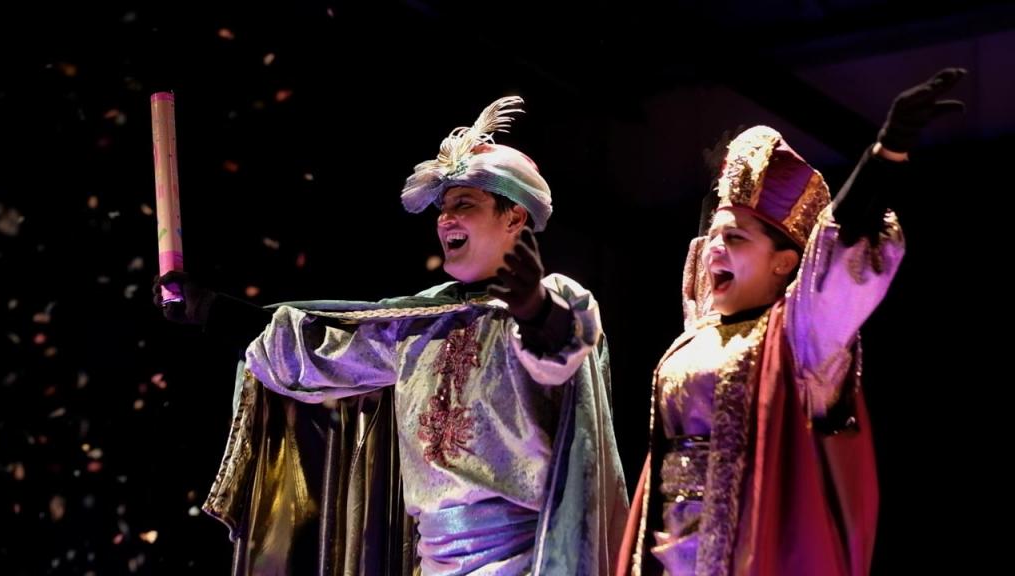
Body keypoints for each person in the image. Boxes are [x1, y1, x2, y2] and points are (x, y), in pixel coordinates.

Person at [156, 96, 628, 575]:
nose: (445, 219)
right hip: (434, 562)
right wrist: (210, 308)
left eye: (464, 204)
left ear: (514, 218)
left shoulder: (554, 300)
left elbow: (564, 344)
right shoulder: (418, 323)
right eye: (442, 208)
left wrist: (533, 309)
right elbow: (318, 348)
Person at [618, 68, 966, 576]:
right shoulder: (701, 329)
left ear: (784, 262)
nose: (715, 249)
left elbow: (838, 251)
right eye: (714, 237)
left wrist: (883, 155)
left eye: (736, 239)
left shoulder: (796, 339)